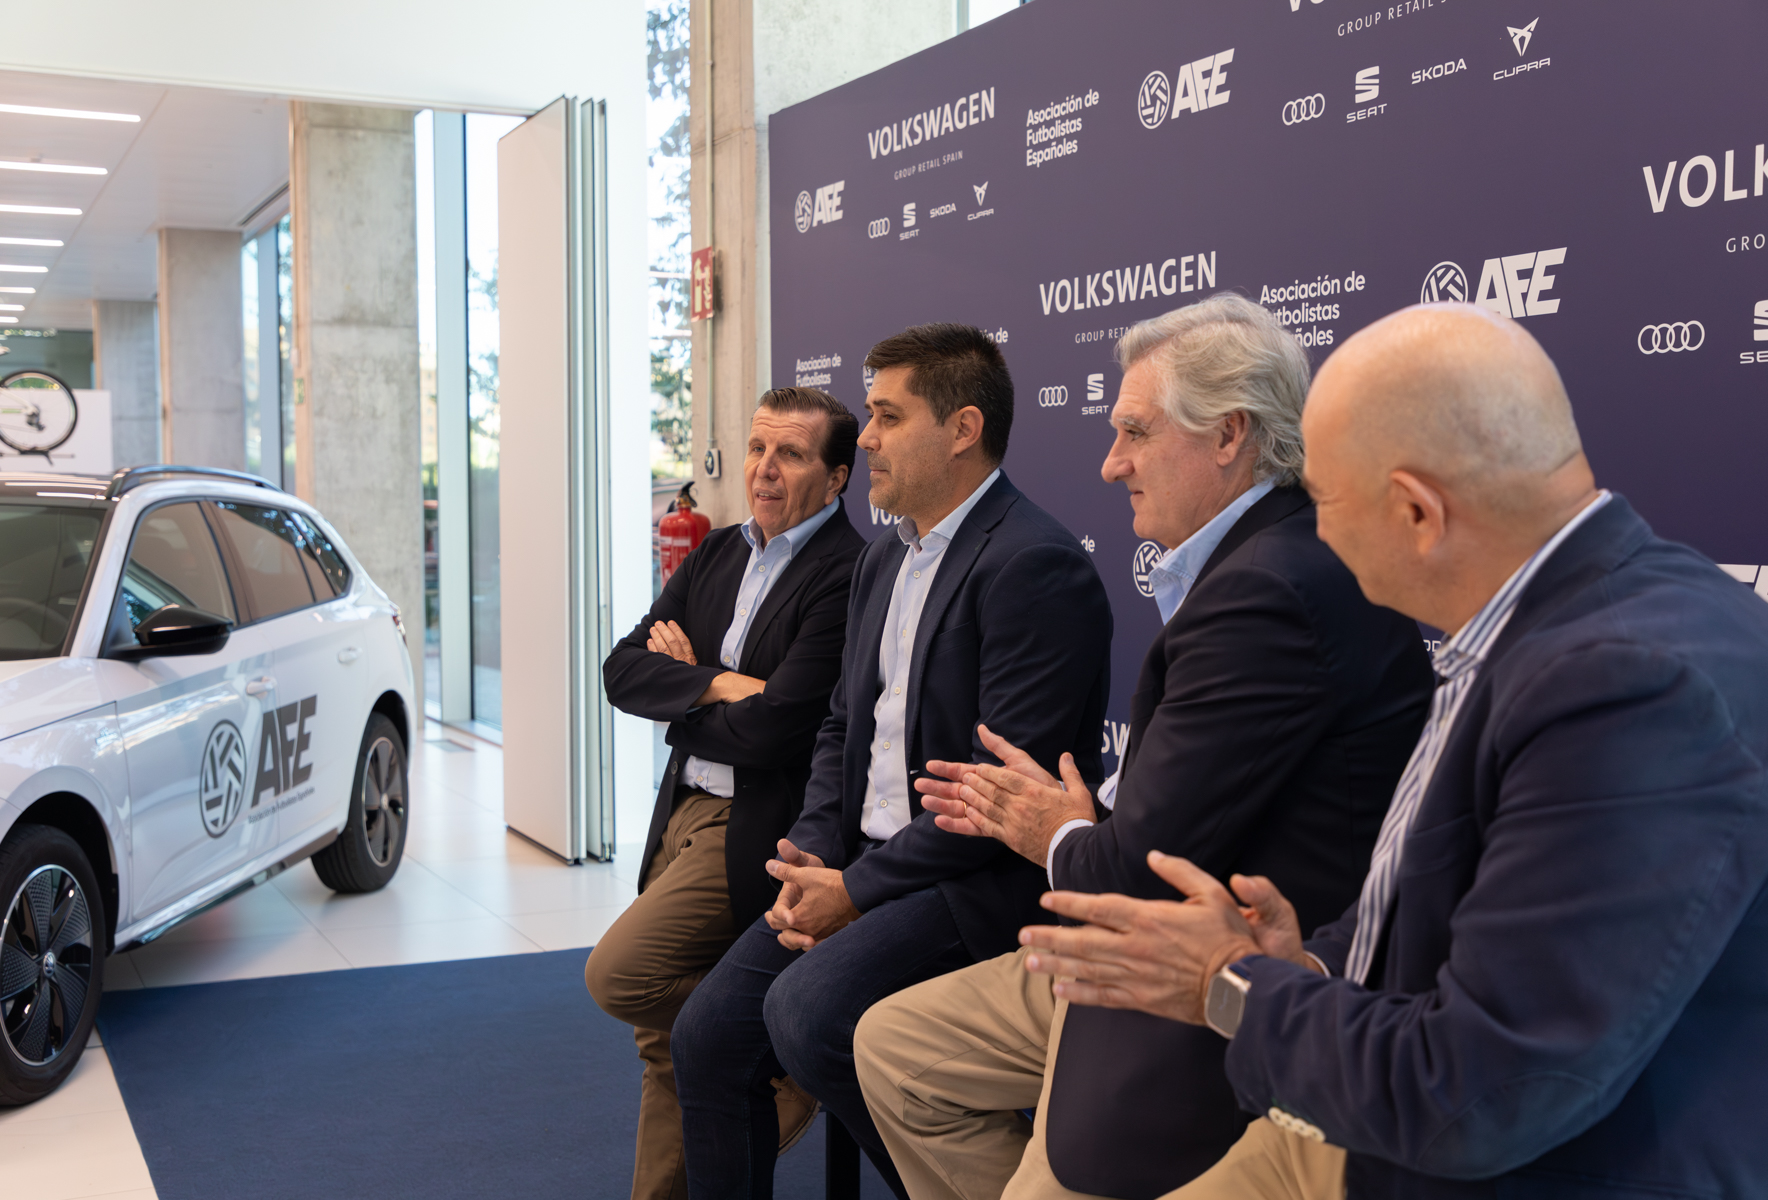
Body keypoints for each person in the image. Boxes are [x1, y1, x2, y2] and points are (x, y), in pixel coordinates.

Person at [1015, 302, 1768, 1199]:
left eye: (1325, 503)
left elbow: (1483, 1091)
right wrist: (1311, 964)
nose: (1318, 536)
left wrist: (1230, 983)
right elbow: (1455, 915)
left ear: (1416, 510)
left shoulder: (1620, 688)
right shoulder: (1570, 621)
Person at [853, 294, 1434, 1200]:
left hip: (1205, 970)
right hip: (1134, 927)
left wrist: (1051, 830)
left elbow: (1136, 866)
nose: (1111, 462)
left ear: (1229, 435)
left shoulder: (1267, 592)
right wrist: (1072, 825)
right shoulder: (1257, 563)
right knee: (893, 1046)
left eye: (1134, 432)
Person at [670, 323, 1114, 1199]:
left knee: (810, 1015)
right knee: (706, 1037)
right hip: (859, 863)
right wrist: (812, 852)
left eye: (887, 416)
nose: (865, 437)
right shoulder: (884, 558)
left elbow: (996, 803)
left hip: (969, 883)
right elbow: (842, 725)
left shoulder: (1034, 564)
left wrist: (856, 891)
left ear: (962, 429)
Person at [593, 387, 867, 1200]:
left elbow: (779, 728)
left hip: (750, 823)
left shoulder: (848, 572)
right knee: (660, 1046)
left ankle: (776, 1048)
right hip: (678, 810)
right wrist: (718, 684)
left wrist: (684, 688)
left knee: (621, 976)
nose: (764, 470)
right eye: (757, 449)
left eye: (791, 454)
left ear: (837, 476)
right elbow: (622, 670)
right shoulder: (718, 551)